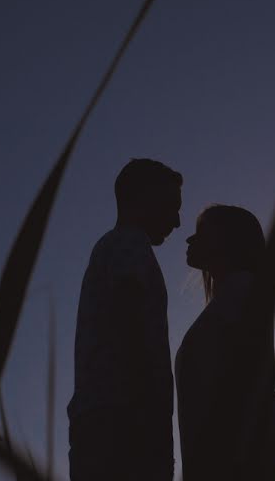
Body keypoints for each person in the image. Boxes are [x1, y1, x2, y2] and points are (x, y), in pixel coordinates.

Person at [67, 158, 183, 481]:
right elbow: (132, 322)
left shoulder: (116, 247)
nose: (176, 221)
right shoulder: (129, 244)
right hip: (123, 421)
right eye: (172, 206)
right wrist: (150, 421)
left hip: (108, 419)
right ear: (144, 197)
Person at [176, 205, 275, 481]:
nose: (189, 239)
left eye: (201, 232)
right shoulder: (234, 295)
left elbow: (248, 385)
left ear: (227, 238)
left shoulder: (243, 290)